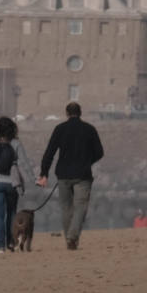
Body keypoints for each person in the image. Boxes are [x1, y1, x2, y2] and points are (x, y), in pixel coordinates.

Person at [37, 102, 104, 250]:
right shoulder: (89, 129)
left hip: (63, 175)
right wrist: (87, 161)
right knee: (80, 207)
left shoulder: (60, 129)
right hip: (83, 175)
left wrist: (44, 173)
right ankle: (72, 237)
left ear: (67, 113)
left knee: (66, 208)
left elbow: (49, 153)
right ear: (80, 113)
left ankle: (70, 238)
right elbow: (99, 152)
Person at [0, 117, 29, 252]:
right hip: (12, 184)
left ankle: (1, 246)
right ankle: (11, 242)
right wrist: (35, 178)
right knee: (12, 213)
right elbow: (24, 163)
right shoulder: (16, 143)